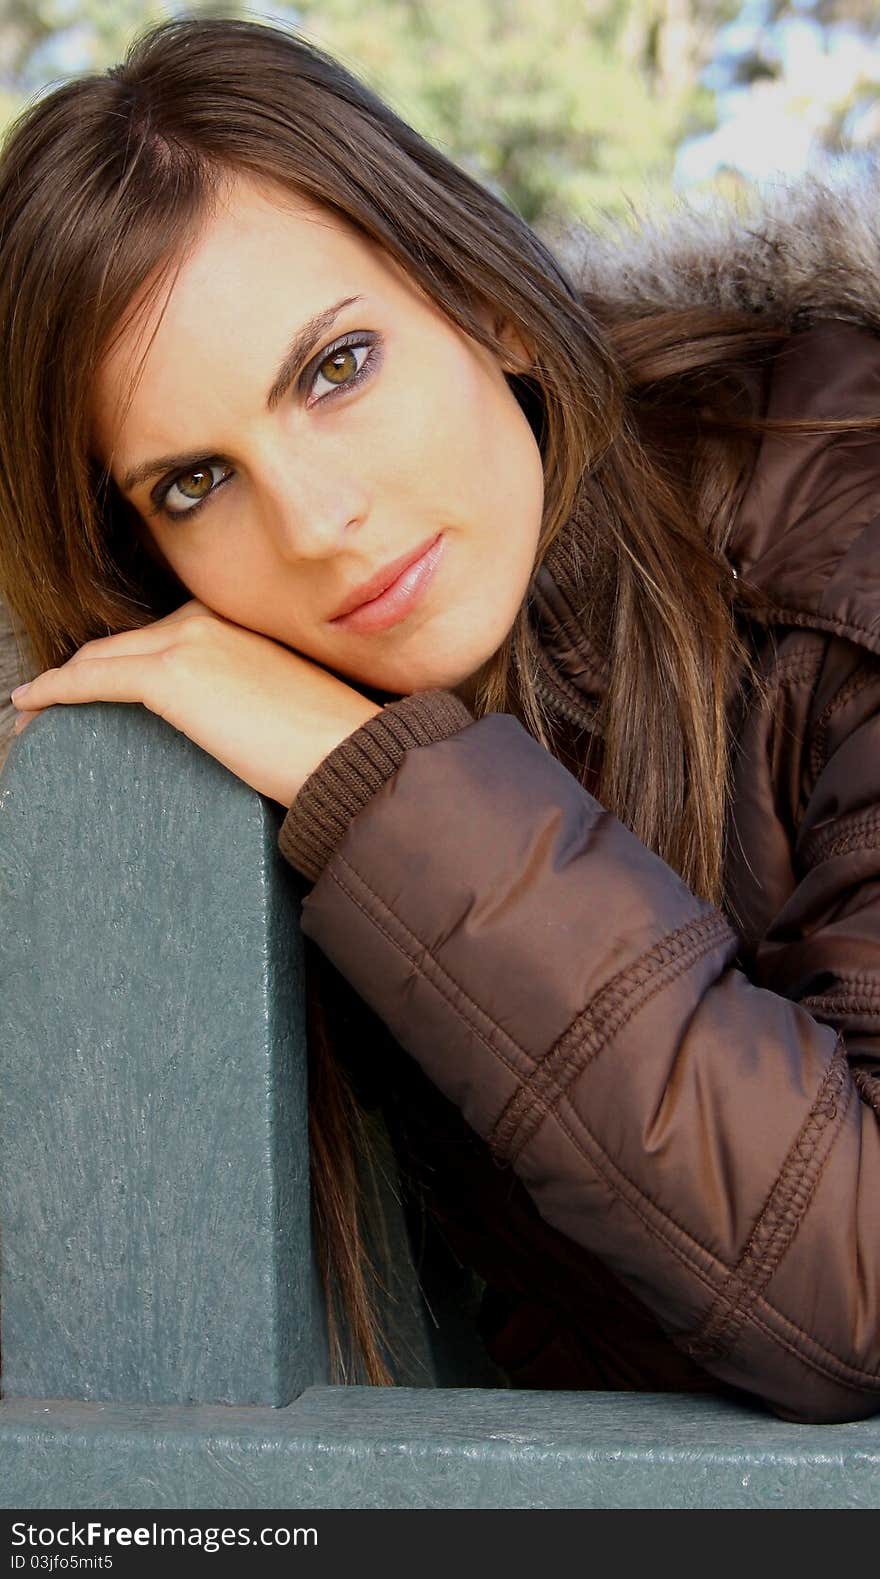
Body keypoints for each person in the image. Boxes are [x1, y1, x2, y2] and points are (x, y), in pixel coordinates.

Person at [1, 15, 878, 1425]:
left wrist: (378, 788)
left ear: (491, 306)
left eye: (335, 368)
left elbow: (858, 1282)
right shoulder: (190, 749)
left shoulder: (844, 521)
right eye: (193, 484)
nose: (317, 525)